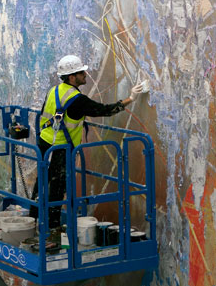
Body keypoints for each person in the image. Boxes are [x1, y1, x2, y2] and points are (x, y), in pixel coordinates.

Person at [31, 54, 145, 228]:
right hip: (60, 147)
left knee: (42, 183)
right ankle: (51, 229)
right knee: (57, 187)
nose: (85, 74)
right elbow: (104, 110)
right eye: (81, 72)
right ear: (71, 77)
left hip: (45, 142)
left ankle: (33, 219)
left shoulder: (54, 90)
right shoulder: (78, 100)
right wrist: (131, 98)